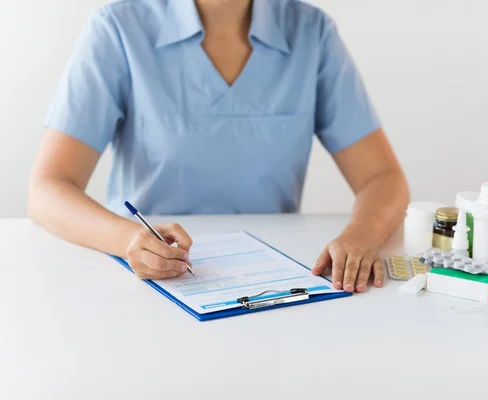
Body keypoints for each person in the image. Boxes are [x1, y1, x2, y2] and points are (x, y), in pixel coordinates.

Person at [28, 0, 410, 293]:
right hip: (144, 281)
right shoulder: (118, 28)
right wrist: (128, 239)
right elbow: (48, 189)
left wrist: (361, 235)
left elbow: (382, 176)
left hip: (271, 281)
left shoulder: (312, 32)